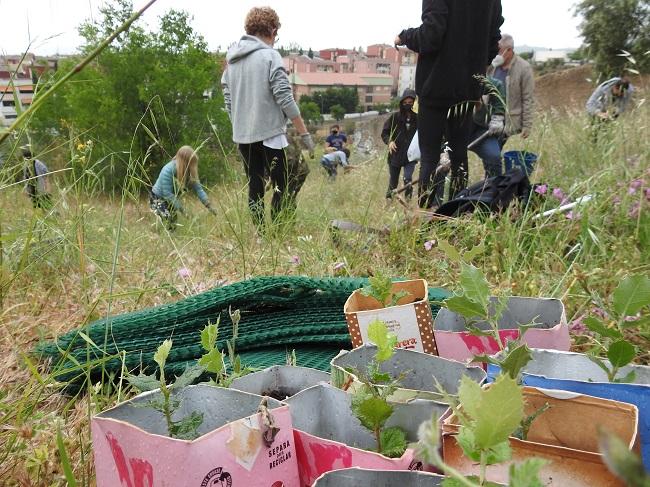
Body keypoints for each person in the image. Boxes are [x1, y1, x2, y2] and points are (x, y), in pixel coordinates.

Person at [395, 0, 504, 209]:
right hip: (468, 89)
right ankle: (458, 214)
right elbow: (493, 40)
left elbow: (431, 36)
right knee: (459, 155)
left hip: (436, 87)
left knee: (430, 156)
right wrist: (476, 68)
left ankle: (426, 218)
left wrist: (404, 36)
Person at [221, 7, 315, 232]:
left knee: (255, 186)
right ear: (272, 30)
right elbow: (285, 97)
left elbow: (228, 100)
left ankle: (261, 235)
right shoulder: (270, 56)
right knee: (283, 185)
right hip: (271, 136)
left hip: (243, 137)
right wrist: (305, 134)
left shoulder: (231, 60)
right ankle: (281, 232)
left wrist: (240, 125)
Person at [150, 146, 216, 230]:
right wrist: (183, 211)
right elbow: (167, 194)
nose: (193, 166)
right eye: (191, 163)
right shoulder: (168, 170)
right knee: (168, 218)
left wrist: (209, 205)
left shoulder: (189, 171)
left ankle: (171, 237)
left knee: (173, 221)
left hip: (171, 199)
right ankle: (160, 235)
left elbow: (198, 189)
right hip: (157, 198)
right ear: (185, 161)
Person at [487, 34, 535, 142]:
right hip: (491, 119)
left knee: (496, 153)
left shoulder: (524, 68)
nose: (496, 53)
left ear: (509, 50)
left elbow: (528, 98)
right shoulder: (492, 66)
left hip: (509, 122)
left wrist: (527, 126)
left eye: (499, 50)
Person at [382, 88, 418, 200]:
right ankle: (389, 201)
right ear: (402, 102)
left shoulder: (417, 118)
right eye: (405, 103)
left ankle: (407, 202)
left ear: (413, 103)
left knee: (407, 179)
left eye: (410, 103)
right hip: (395, 154)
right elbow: (385, 133)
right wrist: (390, 142)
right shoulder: (395, 117)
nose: (407, 105)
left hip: (410, 156)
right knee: (393, 181)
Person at [468, 76, 507, 178]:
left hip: (479, 130)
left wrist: (498, 116)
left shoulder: (484, 81)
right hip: (452, 131)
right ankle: (436, 193)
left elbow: (497, 87)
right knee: (440, 163)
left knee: (493, 157)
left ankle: (492, 190)